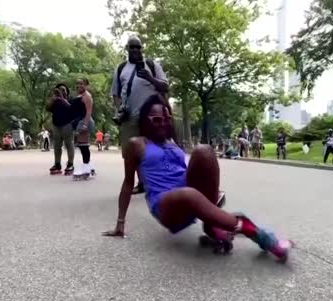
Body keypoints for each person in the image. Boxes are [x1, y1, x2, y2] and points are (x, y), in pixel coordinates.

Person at [102, 95, 291, 261]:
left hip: (189, 193)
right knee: (188, 194)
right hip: (165, 204)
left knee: (204, 150)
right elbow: (128, 183)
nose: (163, 123)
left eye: (167, 118)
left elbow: (190, 170)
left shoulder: (171, 142)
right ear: (145, 120)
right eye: (156, 119)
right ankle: (256, 233)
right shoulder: (136, 144)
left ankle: (211, 224)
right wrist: (120, 223)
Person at [111, 36, 169, 195]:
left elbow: (165, 86)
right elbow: (115, 94)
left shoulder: (152, 65)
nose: (136, 50)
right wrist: (120, 109)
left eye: (138, 47)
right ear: (127, 49)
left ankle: (159, 183)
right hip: (130, 117)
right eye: (132, 47)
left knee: (155, 151)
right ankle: (141, 183)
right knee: (131, 153)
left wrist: (150, 78)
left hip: (151, 118)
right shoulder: (121, 68)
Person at [71, 78, 96, 180]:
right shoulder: (79, 96)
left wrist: (85, 125)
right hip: (80, 121)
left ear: (86, 85)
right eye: (77, 84)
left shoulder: (87, 97)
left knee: (84, 146)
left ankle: (86, 169)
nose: (78, 85)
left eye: (81, 84)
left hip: (85, 121)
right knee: (81, 146)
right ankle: (90, 167)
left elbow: (89, 112)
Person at [46, 84, 74, 175]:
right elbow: (48, 108)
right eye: (60, 90)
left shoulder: (70, 100)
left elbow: (70, 108)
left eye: (64, 90)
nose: (62, 91)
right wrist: (52, 99)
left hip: (67, 124)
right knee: (57, 146)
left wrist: (62, 98)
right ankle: (57, 164)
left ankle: (70, 164)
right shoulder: (55, 100)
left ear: (67, 91)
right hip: (56, 125)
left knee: (69, 144)